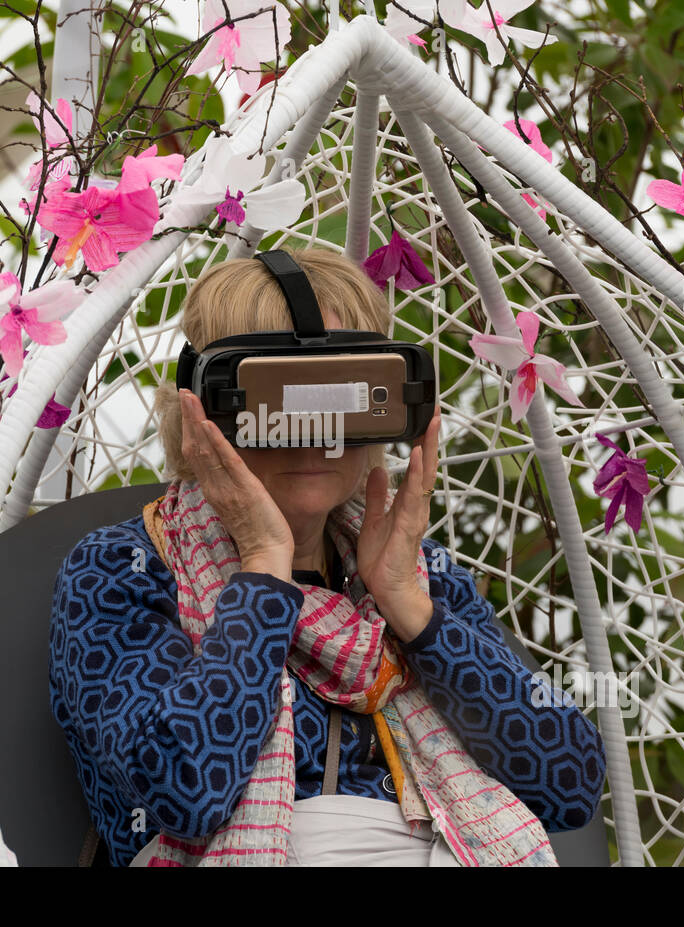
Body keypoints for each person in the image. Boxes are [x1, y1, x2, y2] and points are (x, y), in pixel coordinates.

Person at [49, 247, 606, 866]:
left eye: (341, 394)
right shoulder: (124, 568)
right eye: (274, 395)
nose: (312, 430)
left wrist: (406, 605)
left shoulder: (420, 575)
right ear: (200, 410)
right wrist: (263, 566)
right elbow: (184, 792)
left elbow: (570, 782)